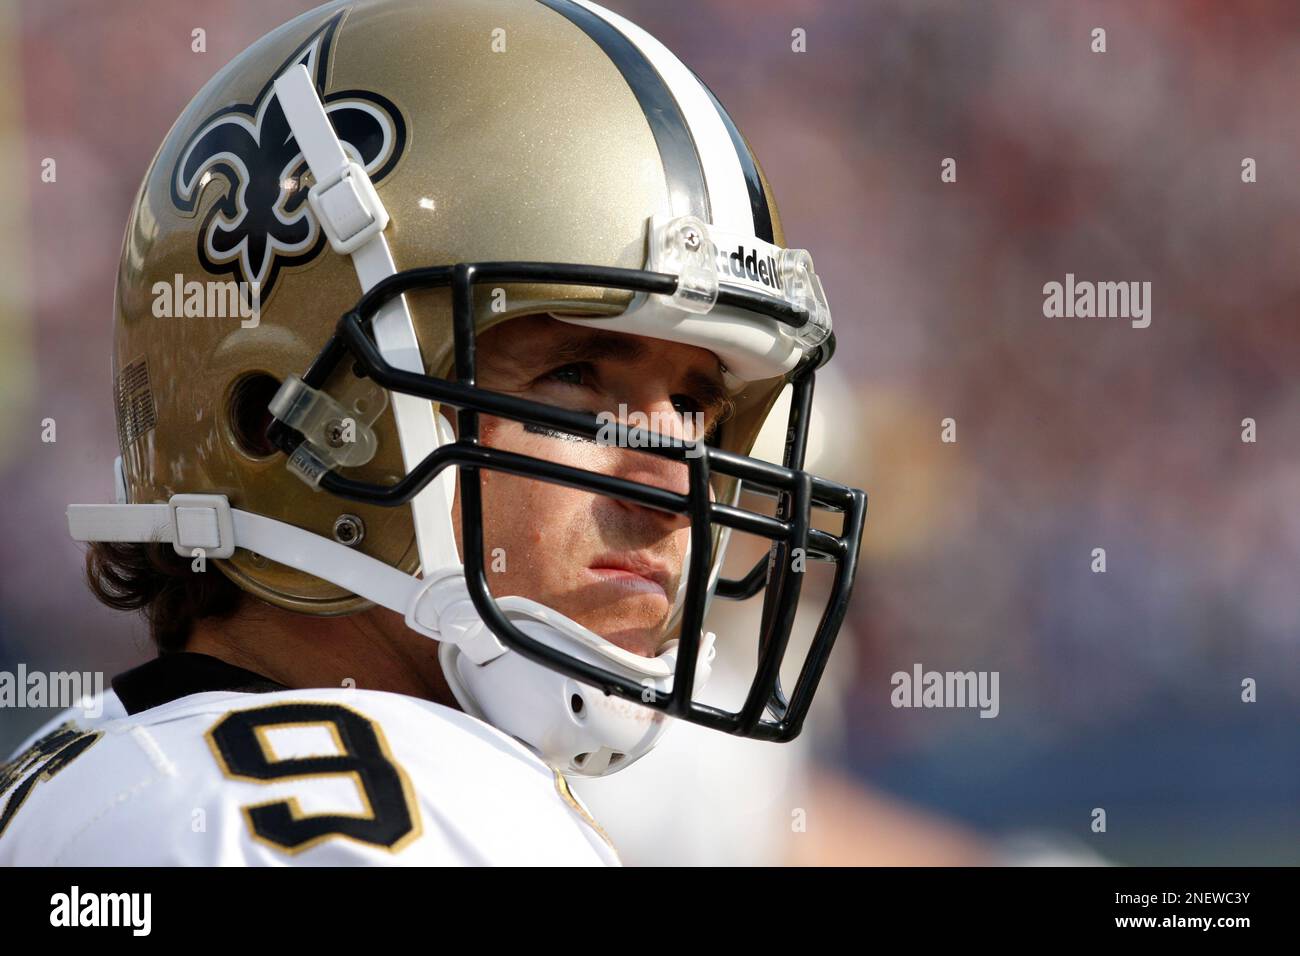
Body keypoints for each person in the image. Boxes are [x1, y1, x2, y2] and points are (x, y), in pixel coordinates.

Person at [0, 0, 863, 866]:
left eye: (695, 407)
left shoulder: (109, 781)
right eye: (575, 376)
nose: (677, 486)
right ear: (273, 418)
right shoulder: (394, 822)